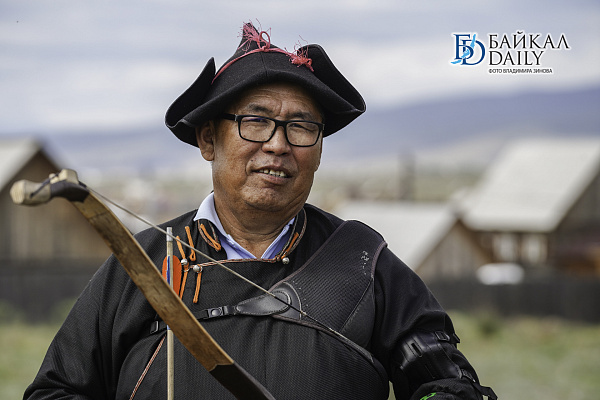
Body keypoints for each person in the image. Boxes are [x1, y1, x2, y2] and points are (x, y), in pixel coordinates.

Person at [24, 23, 496, 400]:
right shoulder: (140, 263)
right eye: (256, 120)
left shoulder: (363, 261)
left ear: (319, 149)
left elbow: (444, 382)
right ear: (208, 139)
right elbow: (56, 391)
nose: (278, 145)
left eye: (301, 126)